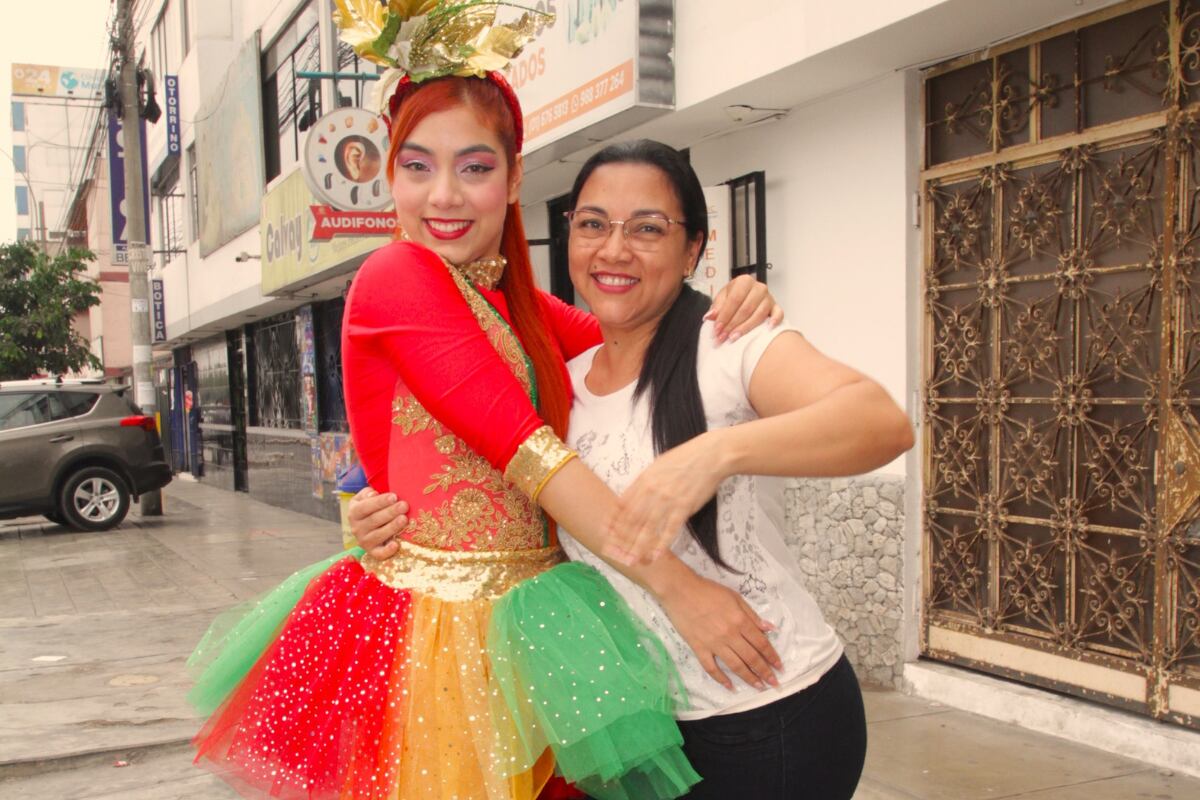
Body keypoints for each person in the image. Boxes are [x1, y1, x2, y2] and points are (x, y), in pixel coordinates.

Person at [186, 6, 783, 800]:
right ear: (388, 175)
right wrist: (680, 589)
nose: (445, 195)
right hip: (440, 634)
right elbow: (524, 447)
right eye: (417, 166)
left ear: (513, 178)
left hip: (539, 620)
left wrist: (721, 305)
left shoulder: (514, 303)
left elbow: (631, 337)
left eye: (473, 167)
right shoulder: (395, 277)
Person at [352, 139, 914, 799]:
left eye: (647, 229)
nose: (614, 250)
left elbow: (879, 422)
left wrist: (715, 453)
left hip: (767, 711)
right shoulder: (558, 383)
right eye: (593, 224)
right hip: (637, 728)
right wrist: (384, 520)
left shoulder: (727, 345)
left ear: (693, 248)